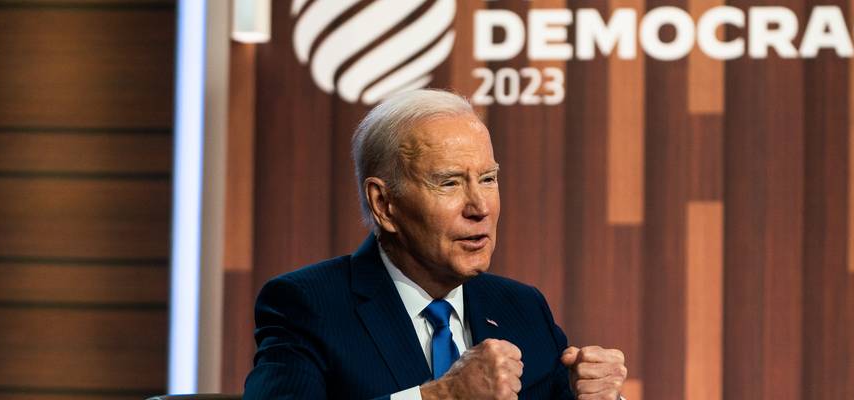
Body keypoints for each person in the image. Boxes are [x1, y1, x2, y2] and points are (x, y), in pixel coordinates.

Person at [243, 89, 628, 400]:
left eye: (488, 179)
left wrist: (599, 398)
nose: (479, 207)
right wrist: (440, 397)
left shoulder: (521, 308)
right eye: (449, 182)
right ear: (384, 204)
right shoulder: (309, 305)